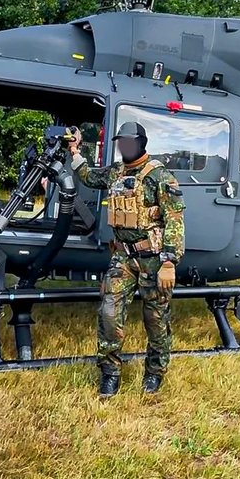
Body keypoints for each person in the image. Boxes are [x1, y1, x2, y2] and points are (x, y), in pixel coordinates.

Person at [69, 121, 185, 397]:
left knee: (156, 319)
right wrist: (75, 150)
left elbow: (175, 221)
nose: (124, 147)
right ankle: (110, 373)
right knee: (109, 313)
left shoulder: (160, 176)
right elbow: (88, 176)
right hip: (123, 257)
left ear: (142, 143)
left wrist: (169, 263)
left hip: (154, 259)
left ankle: (154, 373)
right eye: (121, 142)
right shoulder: (116, 173)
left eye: (130, 142)